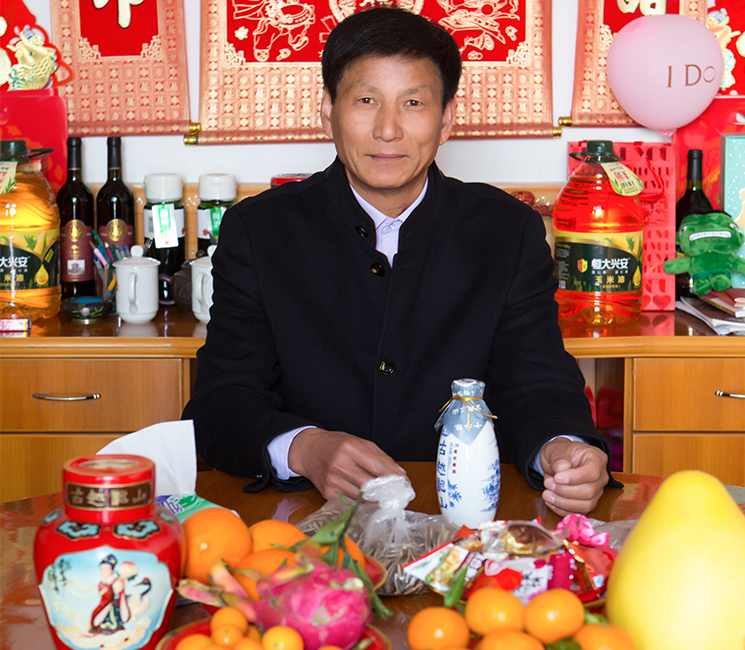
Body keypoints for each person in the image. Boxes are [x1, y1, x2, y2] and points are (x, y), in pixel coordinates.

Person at [183, 5, 618, 516]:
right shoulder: (260, 230)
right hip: (303, 522)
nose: (388, 129)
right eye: (366, 100)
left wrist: (562, 448)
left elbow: (539, 382)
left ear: (446, 119)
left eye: (413, 102)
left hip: (462, 519)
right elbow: (221, 400)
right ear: (327, 110)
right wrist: (305, 448)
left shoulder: (507, 231)